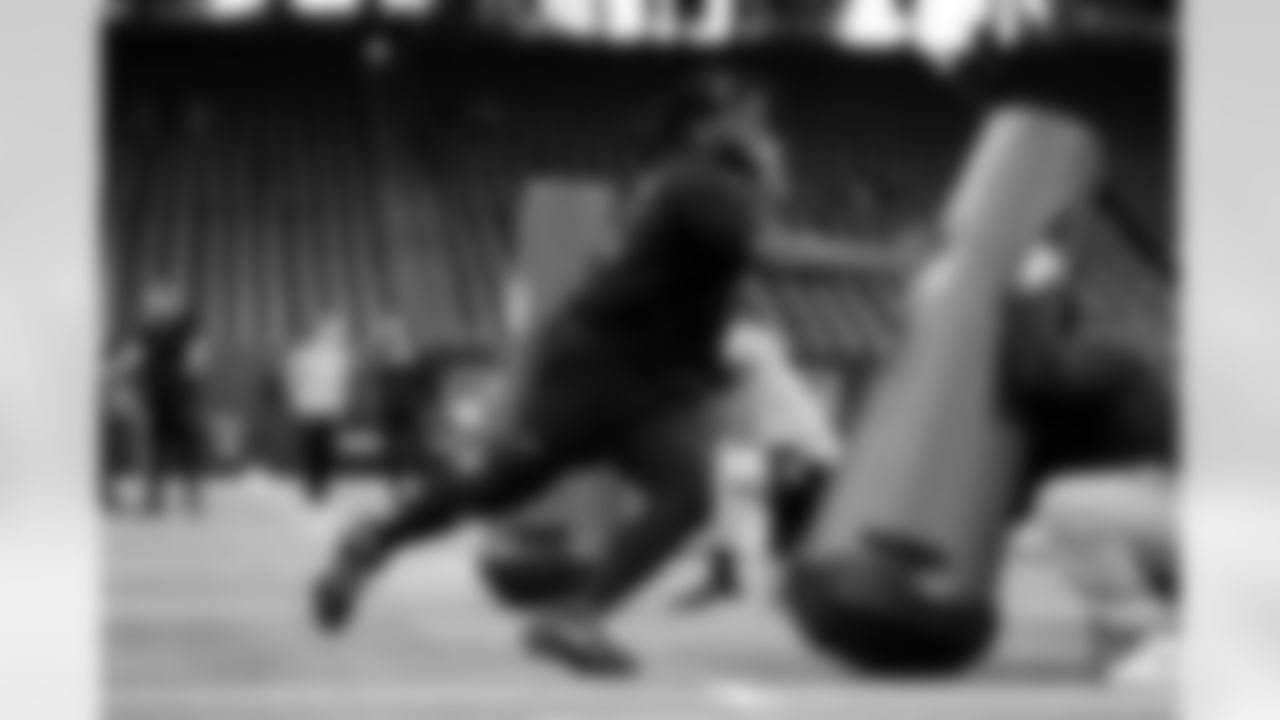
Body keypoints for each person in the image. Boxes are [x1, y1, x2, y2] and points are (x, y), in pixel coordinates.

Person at [311, 71, 917, 676]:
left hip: (653, 383)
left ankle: (576, 616)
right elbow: (771, 253)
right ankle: (373, 540)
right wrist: (891, 261)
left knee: (688, 493)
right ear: (704, 128)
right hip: (598, 367)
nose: (764, 129)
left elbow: (717, 271)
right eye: (749, 117)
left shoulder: (706, 188)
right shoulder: (696, 181)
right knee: (500, 484)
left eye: (763, 118)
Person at [675, 319, 841, 610]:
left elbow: (735, 359)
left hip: (800, 450)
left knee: (790, 526)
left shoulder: (752, 357)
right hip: (773, 448)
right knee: (730, 505)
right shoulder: (751, 376)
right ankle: (724, 578)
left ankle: (788, 588)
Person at [114, 282, 209, 516]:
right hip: (155, 393)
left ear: (172, 302)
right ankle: (154, 497)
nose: (152, 305)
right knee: (155, 446)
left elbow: (197, 352)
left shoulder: (187, 324)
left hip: (181, 393)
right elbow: (135, 354)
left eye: (158, 300)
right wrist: (116, 369)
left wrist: (193, 369)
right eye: (151, 302)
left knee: (186, 445)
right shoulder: (147, 328)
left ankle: (193, 496)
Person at [284, 314, 356, 504]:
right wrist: (296, 401)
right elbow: (293, 379)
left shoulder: (340, 356)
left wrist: (340, 403)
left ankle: (320, 486)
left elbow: (342, 383)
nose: (335, 336)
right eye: (331, 333)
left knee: (323, 448)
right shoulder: (304, 353)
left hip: (326, 408)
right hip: (311, 408)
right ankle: (314, 486)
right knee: (313, 448)